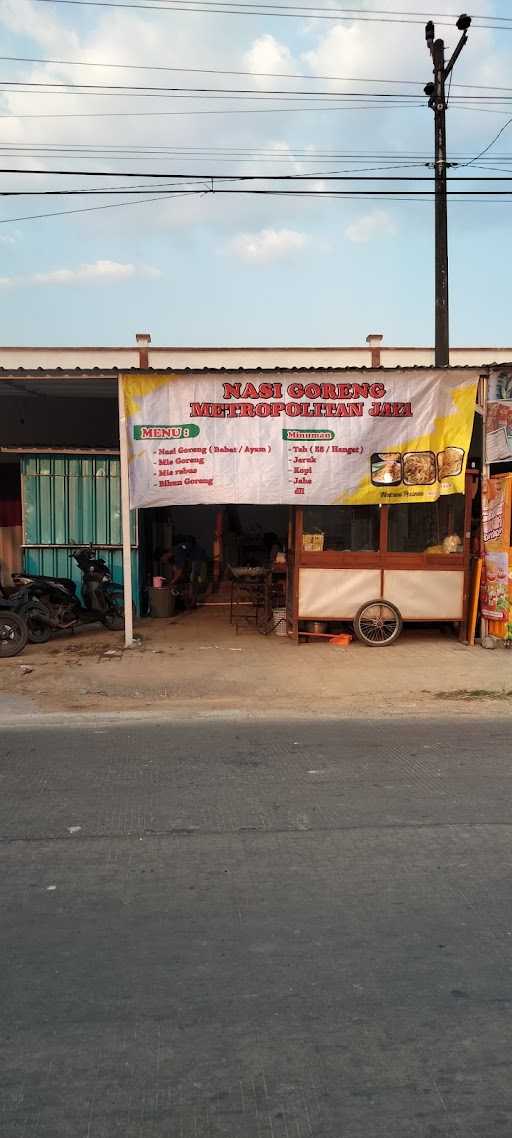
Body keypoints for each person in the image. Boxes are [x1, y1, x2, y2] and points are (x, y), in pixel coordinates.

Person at [161, 537, 208, 608]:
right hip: (192, 559)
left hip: (198, 557)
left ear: (164, 555)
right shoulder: (171, 557)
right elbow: (176, 569)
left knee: (193, 577)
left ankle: (193, 601)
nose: (163, 562)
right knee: (186, 578)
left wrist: (172, 582)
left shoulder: (177, 551)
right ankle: (190, 598)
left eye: (162, 560)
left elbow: (179, 571)